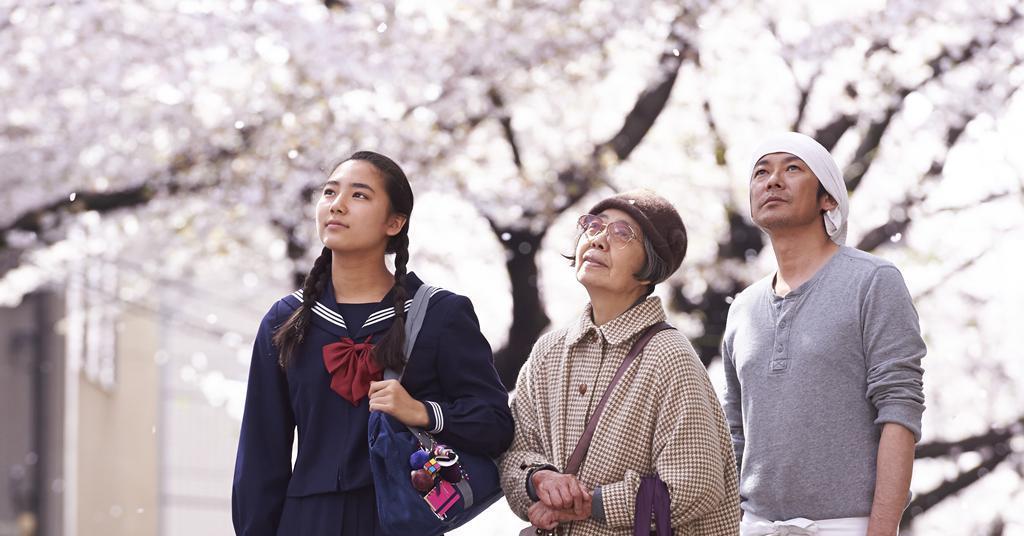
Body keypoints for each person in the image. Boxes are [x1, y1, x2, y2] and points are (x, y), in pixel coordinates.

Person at [231, 151, 514, 535]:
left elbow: (495, 424)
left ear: (394, 222)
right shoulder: (286, 320)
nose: (338, 205)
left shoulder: (440, 314)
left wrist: (422, 411)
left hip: (399, 518)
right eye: (330, 192)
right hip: (305, 523)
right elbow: (261, 455)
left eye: (359, 195)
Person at [500, 190, 740, 535]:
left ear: (649, 268)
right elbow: (515, 450)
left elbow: (695, 484)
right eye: (594, 226)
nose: (598, 240)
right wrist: (538, 480)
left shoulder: (669, 356)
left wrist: (591, 503)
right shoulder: (549, 350)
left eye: (622, 233)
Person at [721, 132, 926, 536]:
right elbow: (735, 434)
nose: (772, 180)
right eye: (761, 172)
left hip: (846, 527)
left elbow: (900, 410)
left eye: (792, 169)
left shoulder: (873, 282)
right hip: (754, 528)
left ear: (828, 198)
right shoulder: (742, 308)